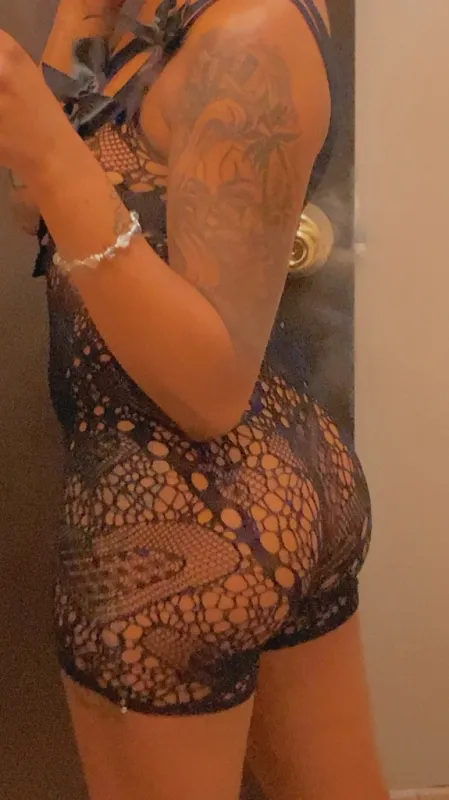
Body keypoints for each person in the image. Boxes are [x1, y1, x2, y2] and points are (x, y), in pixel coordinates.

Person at [2, 1, 389, 798]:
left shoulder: (251, 33)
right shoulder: (146, 10)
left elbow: (208, 391)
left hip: (169, 532)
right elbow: (31, 207)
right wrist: (80, 18)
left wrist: (46, 147)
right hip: (270, 487)